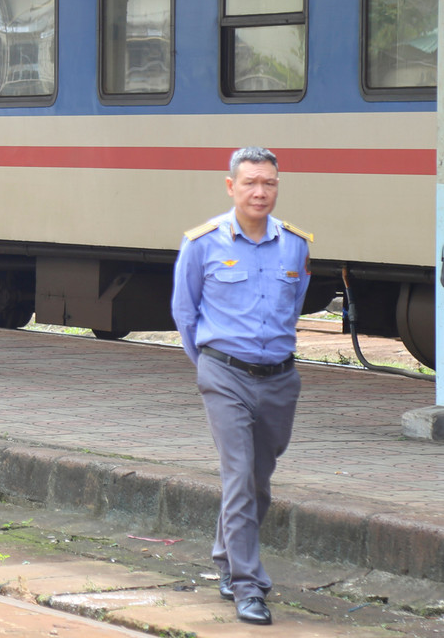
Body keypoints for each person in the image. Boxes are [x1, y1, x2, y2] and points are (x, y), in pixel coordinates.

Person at [171, 146, 311, 627]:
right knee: (238, 477)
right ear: (230, 186)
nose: (259, 191)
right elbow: (185, 313)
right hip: (224, 373)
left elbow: (294, 307)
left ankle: (227, 558)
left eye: (268, 183)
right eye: (250, 182)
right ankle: (248, 586)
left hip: (279, 378)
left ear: (278, 186)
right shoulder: (203, 243)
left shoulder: (295, 245)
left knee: (257, 481)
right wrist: (211, 366)